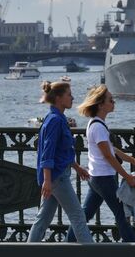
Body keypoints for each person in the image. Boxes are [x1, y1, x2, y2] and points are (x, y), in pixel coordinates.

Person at [67, 85, 135, 242]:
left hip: (97, 178)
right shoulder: (98, 127)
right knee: (121, 213)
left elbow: (112, 150)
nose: (114, 102)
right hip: (103, 178)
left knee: (86, 213)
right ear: (100, 105)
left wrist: (134, 161)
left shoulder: (97, 124)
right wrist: (127, 176)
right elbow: (109, 157)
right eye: (110, 100)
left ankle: (69, 242)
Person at [28, 81, 93, 243]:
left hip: (55, 176)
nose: (72, 98)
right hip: (57, 177)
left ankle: (26, 255)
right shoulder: (55, 120)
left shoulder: (57, 118)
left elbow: (62, 152)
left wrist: (77, 168)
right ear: (58, 98)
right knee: (78, 216)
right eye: (69, 95)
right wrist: (48, 181)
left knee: (42, 220)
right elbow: (47, 153)